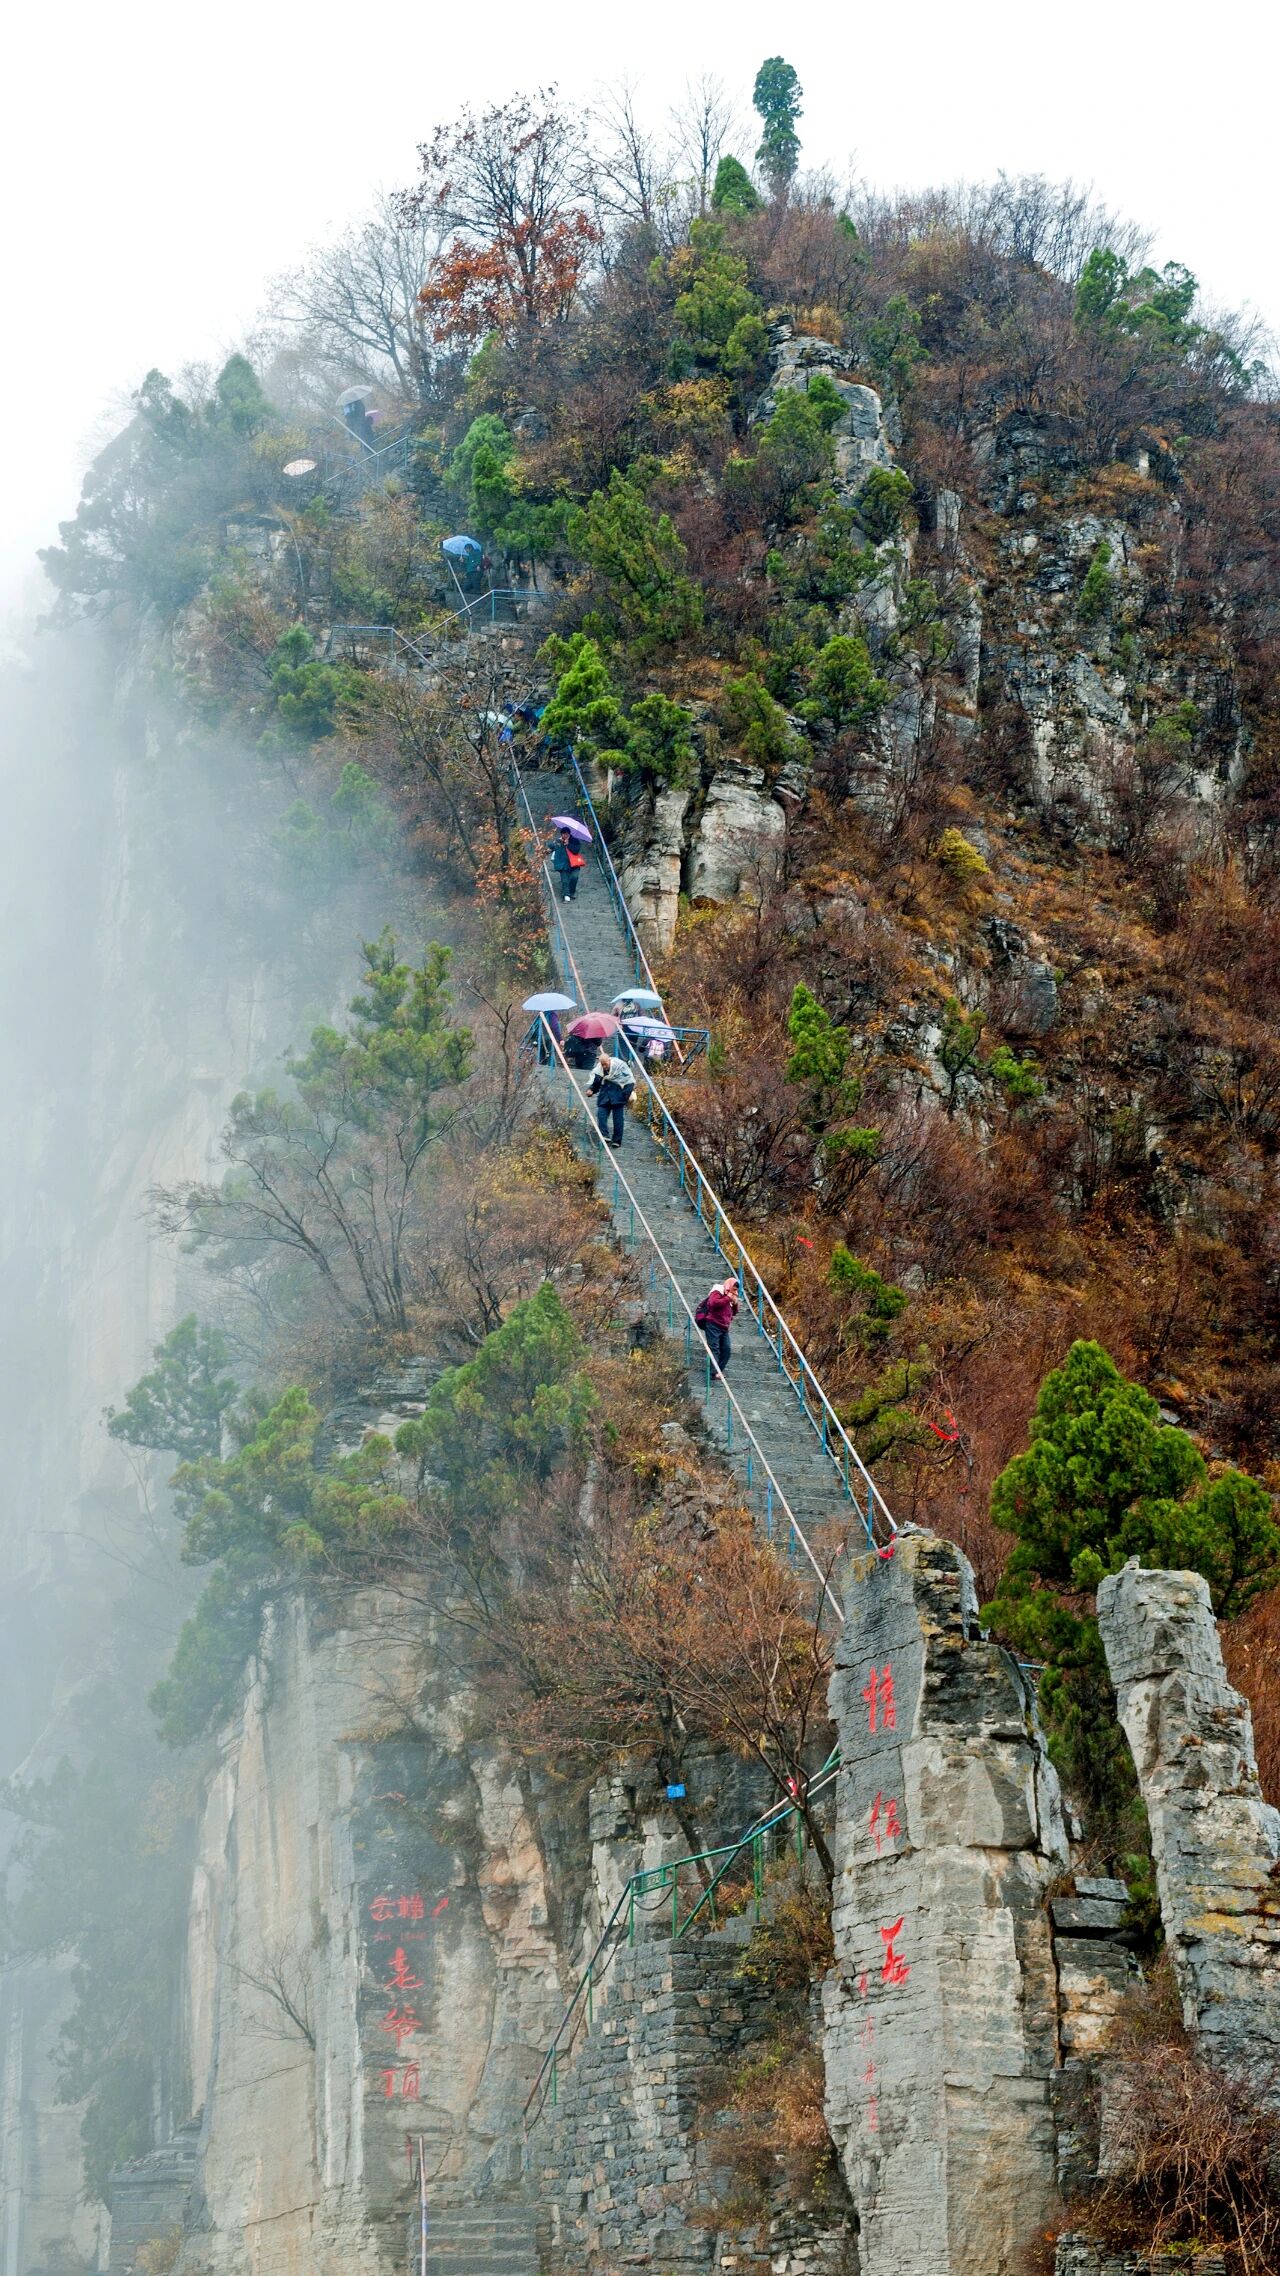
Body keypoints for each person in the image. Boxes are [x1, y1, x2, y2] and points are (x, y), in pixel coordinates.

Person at [587, 1049, 635, 1147]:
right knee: (601, 1115)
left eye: (605, 1064)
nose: (604, 1066)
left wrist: (624, 1096)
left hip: (618, 1095)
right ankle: (604, 1135)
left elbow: (629, 1081)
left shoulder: (620, 1066)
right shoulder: (600, 1069)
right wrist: (591, 1089)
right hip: (605, 1095)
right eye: (602, 1064)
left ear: (609, 1061)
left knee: (618, 1119)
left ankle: (617, 1140)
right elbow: (597, 1081)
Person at [694, 1278, 739, 1378]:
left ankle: (718, 1371)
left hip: (724, 1327)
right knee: (714, 1349)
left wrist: (735, 1303)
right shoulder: (718, 1290)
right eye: (734, 1288)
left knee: (727, 1349)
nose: (735, 1291)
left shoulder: (731, 1296)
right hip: (713, 1323)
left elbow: (734, 1312)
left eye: (736, 1289)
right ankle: (713, 1373)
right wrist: (728, 1298)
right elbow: (713, 1303)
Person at [548, 829, 582, 903]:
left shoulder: (574, 841)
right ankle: (566, 896)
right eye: (563, 834)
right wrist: (557, 841)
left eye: (566, 834)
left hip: (574, 865)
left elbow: (576, 850)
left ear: (569, 834)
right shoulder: (559, 841)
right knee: (565, 881)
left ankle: (571, 892)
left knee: (574, 878)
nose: (564, 836)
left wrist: (568, 844)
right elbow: (550, 847)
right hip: (563, 865)